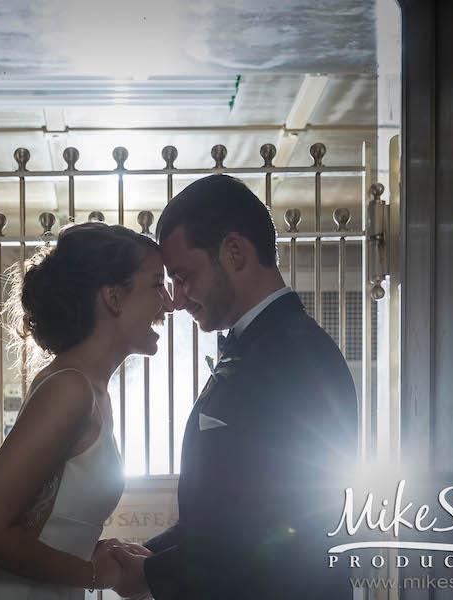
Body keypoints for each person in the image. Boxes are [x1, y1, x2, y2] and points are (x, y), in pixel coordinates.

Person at [109, 174, 360, 599]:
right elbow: (226, 508)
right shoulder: (265, 345)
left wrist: (152, 576)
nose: (178, 299)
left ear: (234, 251)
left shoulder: (296, 357)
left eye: (184, 276)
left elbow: (276, 524)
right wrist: (149, 556)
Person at [0, 222, 173, 599]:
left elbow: (45, 516)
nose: (169, 303)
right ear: (114, 297)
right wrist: (94, 574)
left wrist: (89, 549)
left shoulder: (88, 388)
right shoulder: (71, 388)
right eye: (156, 285)